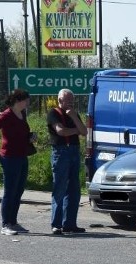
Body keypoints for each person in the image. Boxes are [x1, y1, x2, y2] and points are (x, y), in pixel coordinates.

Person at [0, 89, 33, 236]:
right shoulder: (6, 115)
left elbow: (21, 133)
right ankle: (5, 224)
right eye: (26, 99)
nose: (28, 102)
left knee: (19, 190)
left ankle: (13, 221)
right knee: (10, 191)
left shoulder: (22, 114)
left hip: (22, 156)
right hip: (10, 158)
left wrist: (30, 137)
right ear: (18, 101)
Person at [47, 88, 87, 235]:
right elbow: (61, 131)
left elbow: (84, 131)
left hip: (74, 151)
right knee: (60, 188)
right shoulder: (53, 114)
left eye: (72, 100)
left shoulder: (74, 114)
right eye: (67, 100)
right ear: (60, 100)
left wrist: (75, 118)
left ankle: (70, 223)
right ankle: (56, 224)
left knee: (74, 190)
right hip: (61, 152)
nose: (70, 103)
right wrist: (75, 130)